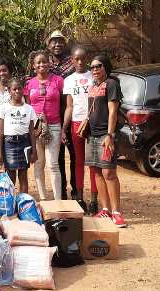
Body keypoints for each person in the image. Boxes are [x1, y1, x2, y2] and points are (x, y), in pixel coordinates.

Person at [85, 55, 126, 227]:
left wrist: (110, 135)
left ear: (105, 67)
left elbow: (113, 112)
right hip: (92, 135)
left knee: (109, 173)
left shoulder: (112, 84)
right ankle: (106, 210)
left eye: (98, 66)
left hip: (105, 136)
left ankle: (117, 212)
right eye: (92, 67)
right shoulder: (93, 85)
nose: (95, 69)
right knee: (96, 173)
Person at [62, 46, 98, 213]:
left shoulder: (95, 76)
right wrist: (64, 128)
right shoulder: (68, 80)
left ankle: (94, 200)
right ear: (72, 60)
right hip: (76, 123)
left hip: (92, 124)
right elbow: (69, 106)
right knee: (79, 161)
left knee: (93, 163)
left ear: (87, 58)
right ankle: (79, 198)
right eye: (76, 59)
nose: (80, 62)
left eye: (83, 58)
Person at [23, 50, 63, 200]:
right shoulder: (29, 83)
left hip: (53, 125)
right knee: (39, 164)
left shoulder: (58, 81)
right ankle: (43, 199)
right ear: (33, 66)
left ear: (49, 63)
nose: (42, 64)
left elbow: (64, 104)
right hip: (35, 127)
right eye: (38, 62)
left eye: (44, 61)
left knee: (53, 163)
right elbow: (27, 106)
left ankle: (58, 200)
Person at [46, 30, 77, 200]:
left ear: (64, 44)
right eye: (53, 41)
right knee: (57, 159)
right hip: (53, 119)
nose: (57, 44)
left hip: (72, 116)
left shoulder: (72, 64)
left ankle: (77, 192)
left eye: (60, 41)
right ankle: (62, 194)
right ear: (48, 45)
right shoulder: (45, 65)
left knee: (74, 156)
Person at [0, 78, 37, 193]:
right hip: (9, 144)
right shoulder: (3, 108)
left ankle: (23, 203)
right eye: (14, 89)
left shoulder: (29, 109)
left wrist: (34, 151)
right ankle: (10, 204)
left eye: (19, 88)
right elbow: (0, 133)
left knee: (23, 175)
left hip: (25, 143)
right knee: (10, 176)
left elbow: (32, 132)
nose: (17, 91)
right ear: (9, 91)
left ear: (23, 90)